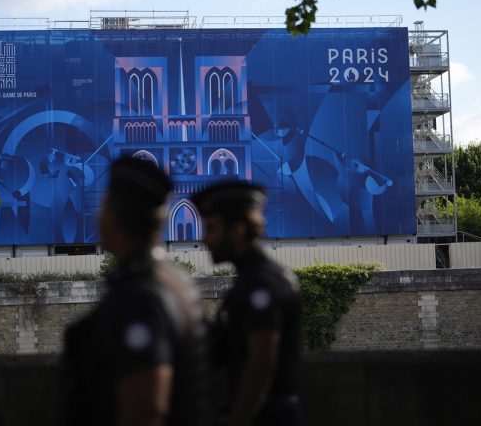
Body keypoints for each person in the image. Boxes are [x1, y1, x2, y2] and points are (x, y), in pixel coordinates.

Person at [62, 157, 209, 426]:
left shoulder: (139, 297)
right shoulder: (177, 280)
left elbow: (146, 409)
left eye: (104, 208)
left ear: (113, 219)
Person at [191, 181, 302, 426]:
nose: (205, 239)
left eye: (212, 228)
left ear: (238, 231)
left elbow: (260, 367)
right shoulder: (251, 281)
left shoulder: (262, 285)